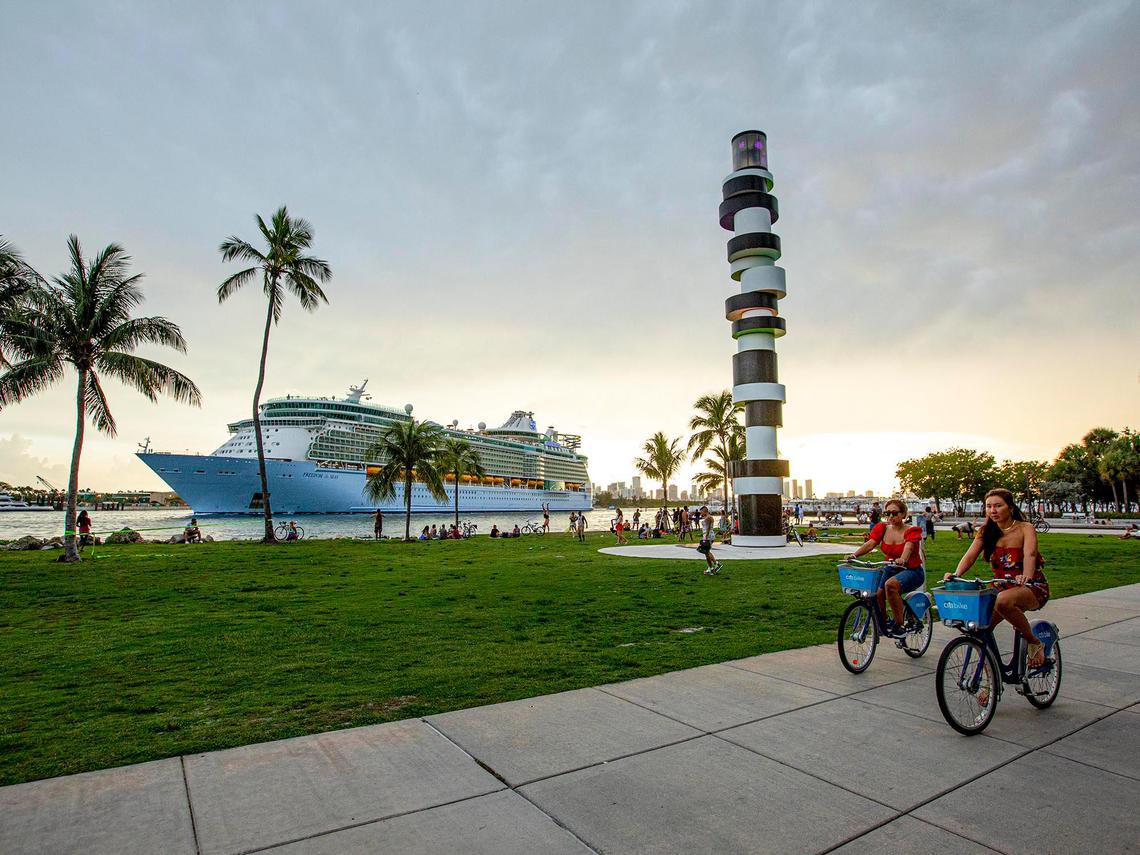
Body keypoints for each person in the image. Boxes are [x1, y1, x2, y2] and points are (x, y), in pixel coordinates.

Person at [943, 488, 1050, 668]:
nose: (993, 510)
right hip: (1002, 586)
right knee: (979, 629)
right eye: (989, 506)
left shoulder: (1026, 528)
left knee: (1002, 601)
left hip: (1031, 586)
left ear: (1010, 507)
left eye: (998, 506)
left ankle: (1034, 641)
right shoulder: (986, 531)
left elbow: (1030, 554)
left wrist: (1027, 577)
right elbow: (970, 556)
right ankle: (989, 681)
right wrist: (956, 574)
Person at [845, 497, 925, 636]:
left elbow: (909, 547)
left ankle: (899, 626)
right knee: (877, 593)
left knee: (890, 585)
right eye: (887, 513)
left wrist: (903, 559)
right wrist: (854, 555)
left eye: (894, 513)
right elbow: (870, 544)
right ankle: (883, 621)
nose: (890, 516)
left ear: (903, 514)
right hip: (891, 567)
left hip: (912, 570)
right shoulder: (882, 528)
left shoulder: (912, 530)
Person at [698, 506, 722, 575]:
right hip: (707, 535)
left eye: (701, 512)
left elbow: (708, 528)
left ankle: (712, 567)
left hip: (708, 536)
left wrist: (706, 537)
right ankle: (713, 566)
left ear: (705, 511)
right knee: (707, 552)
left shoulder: (708, 518)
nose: (700, 513)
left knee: (706, 552)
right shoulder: (708, 517)